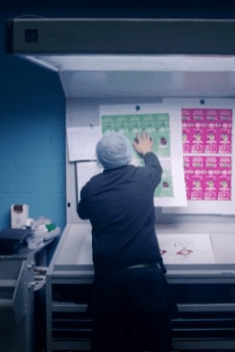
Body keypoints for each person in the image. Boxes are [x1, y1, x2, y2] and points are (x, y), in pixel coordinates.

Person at [77, 130, 176, 352]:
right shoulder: (144, 177)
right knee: (155, 344)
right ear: (128, 154)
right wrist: (148, 151)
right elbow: (156, 168)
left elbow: (82, 213)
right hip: (147, 281)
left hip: (109, 283)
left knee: (110, 344)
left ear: (100, 159)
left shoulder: (91, 188)